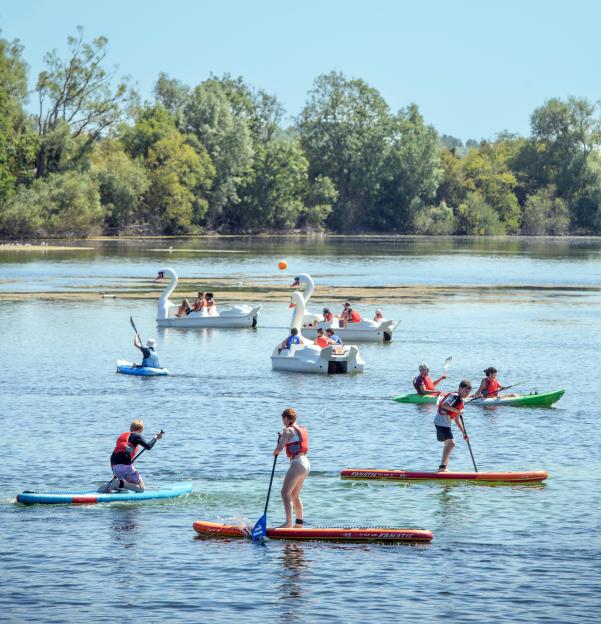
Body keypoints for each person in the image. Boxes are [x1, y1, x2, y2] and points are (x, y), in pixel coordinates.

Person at [101, 420, 164, 492]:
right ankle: (118, 483)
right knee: (141, 488)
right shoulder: (137, 435)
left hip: (114, 465)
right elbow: (148, 446)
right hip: (125, 466)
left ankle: (116, 485)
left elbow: (118, 454)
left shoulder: (123, 436)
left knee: (124, 489)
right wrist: (155, 437)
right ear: (141, 430)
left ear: (131, 428)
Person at [273, 408, 310, 528]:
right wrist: (284, 436)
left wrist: (275, 452)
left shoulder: (288, 430)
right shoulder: (299, 429)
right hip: (306, 463)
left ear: (286, 418)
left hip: (297, 463)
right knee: (294, 495)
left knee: (285, 493)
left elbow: (279, 448)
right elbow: (292, 439)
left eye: (283, 419)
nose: (283, 422)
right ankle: (299, 524)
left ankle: (288, 523)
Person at [434, 380, 471, 471]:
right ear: (460, 388)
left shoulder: (460, 401)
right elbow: (444, 405)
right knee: (451, 443)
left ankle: (444, 468)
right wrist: (458, 411)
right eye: (465, 391)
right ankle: (442, 468)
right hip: (441, 421)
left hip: (445, 423)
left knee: (448, 444)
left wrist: (464, 432)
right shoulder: (455, 396)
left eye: (468, 392)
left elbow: (457, 419)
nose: (467, 394)